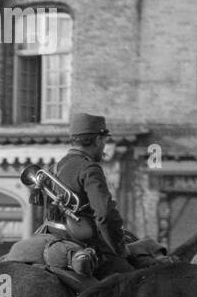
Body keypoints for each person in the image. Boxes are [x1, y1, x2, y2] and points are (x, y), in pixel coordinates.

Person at [39, 112, 133, 279]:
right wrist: (119, 248)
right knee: (135, 280)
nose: (104, 146)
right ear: (98, 140)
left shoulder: (55, 167)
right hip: (82, 242)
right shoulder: (89, 168)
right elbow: (105, 215)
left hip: (55, 240)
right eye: (104, 141)